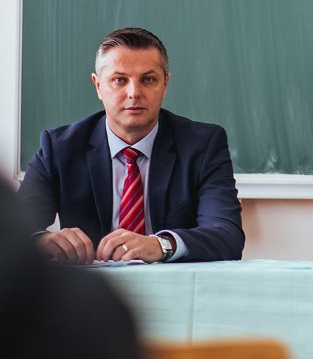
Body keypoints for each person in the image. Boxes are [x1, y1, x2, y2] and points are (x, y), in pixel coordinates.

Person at [18, 27, 244, 264]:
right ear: (98, 86)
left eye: (148, 79)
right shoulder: (59, 148)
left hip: (171, 283)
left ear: (165, 84)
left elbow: (227, 235)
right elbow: (11, 232)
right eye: (119, 80)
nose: (134, 93)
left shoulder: (203, 145)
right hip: (89, 284)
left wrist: (161, 244)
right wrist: (40, 241)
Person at [1, 177, 146, 359]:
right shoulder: (58, 153)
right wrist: (40, 239)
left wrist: (166, 243)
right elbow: (20, 224)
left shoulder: (191, 157)